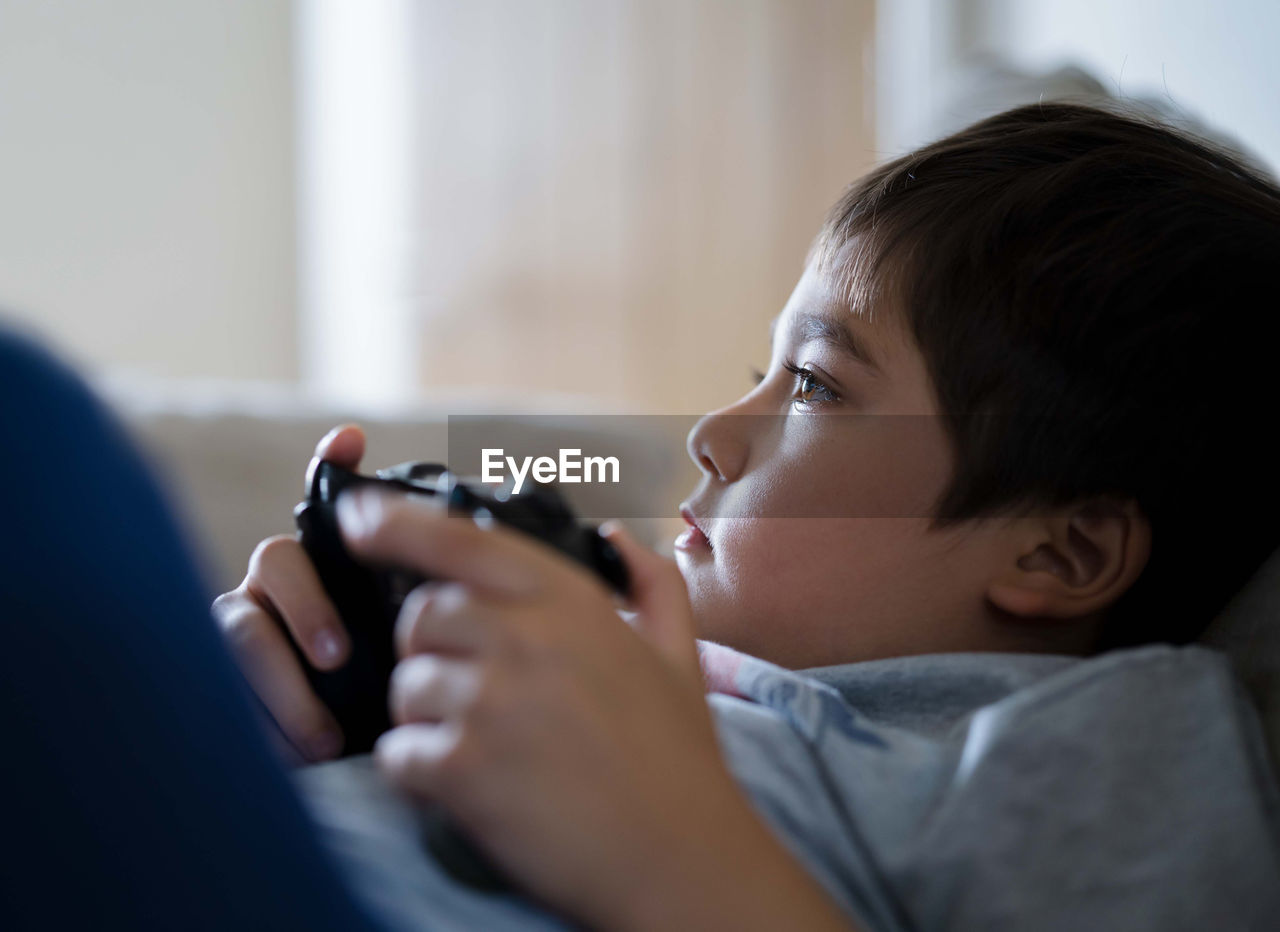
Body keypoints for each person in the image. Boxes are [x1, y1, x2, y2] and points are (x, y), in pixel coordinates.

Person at [6, 101, 1280, 930]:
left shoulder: (1104, 741)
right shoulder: (618, 639)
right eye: (757, 371)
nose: (713, 434)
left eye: (819, 386)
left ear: (1058, 548)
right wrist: (286, 719)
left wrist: (676, 854)